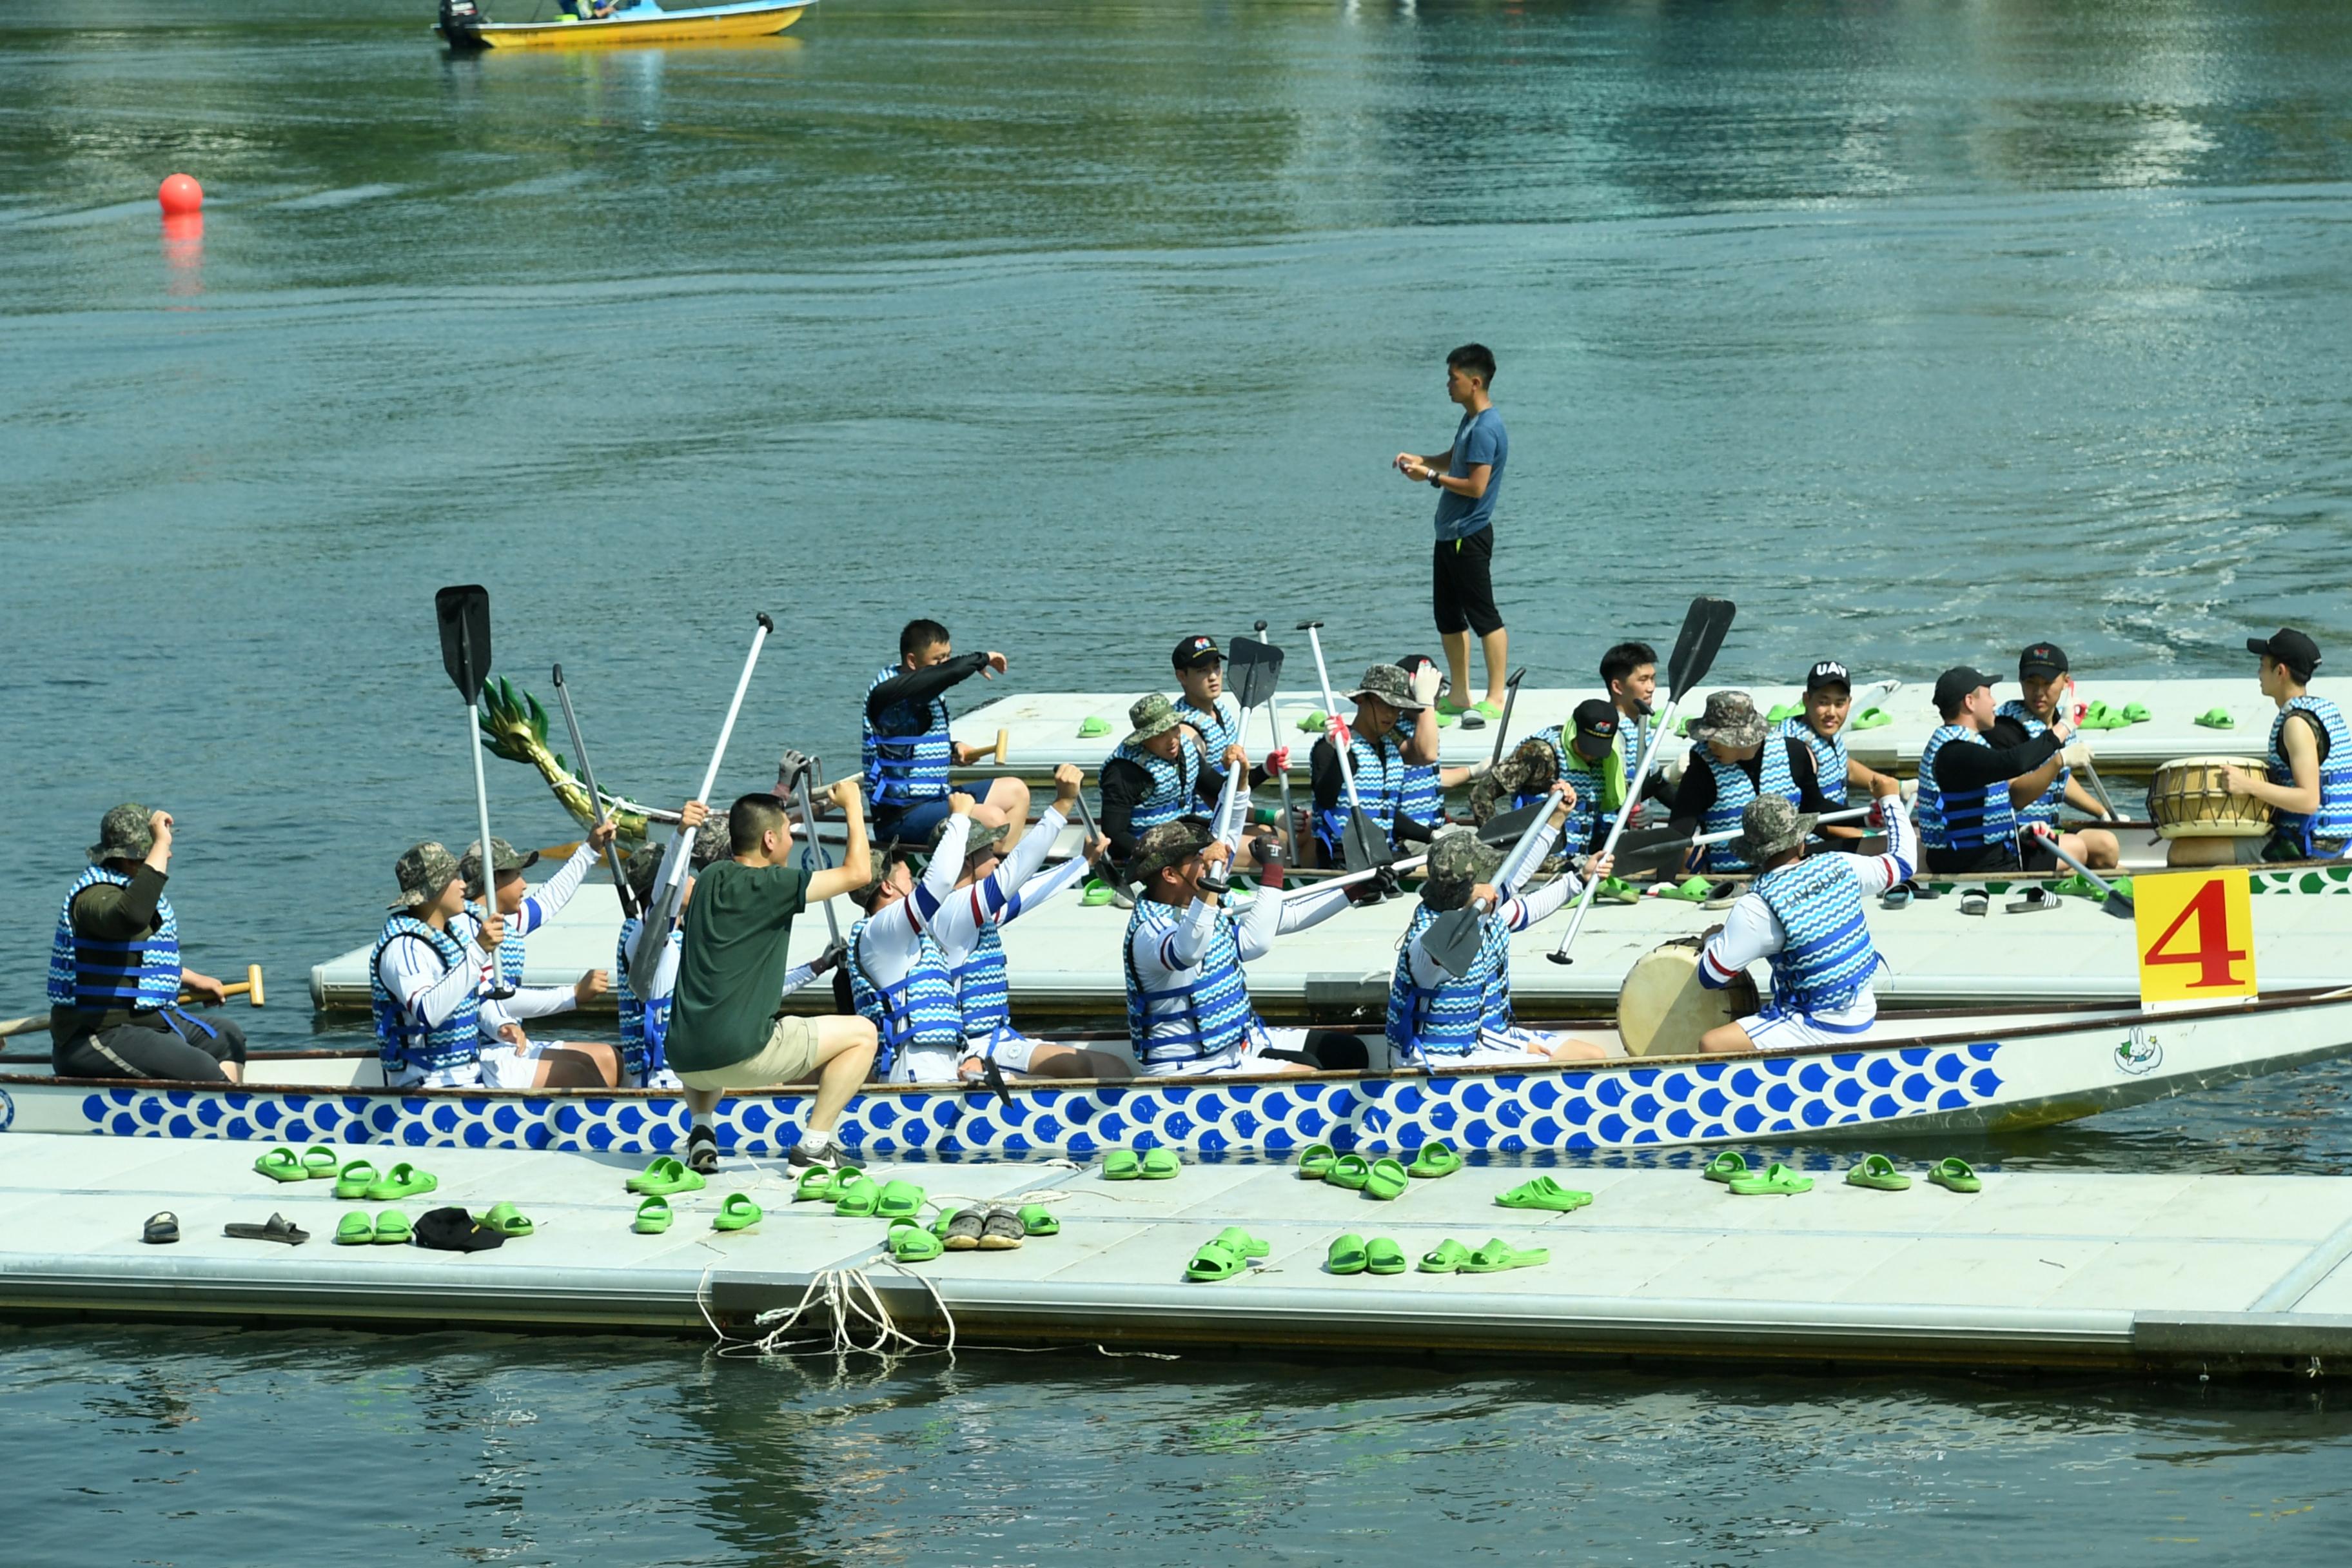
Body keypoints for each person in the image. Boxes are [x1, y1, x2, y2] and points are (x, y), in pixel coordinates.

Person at [666, 783, 879, 1172]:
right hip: (741, 1056)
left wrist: (791, 806)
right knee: (864, 1033)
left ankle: (701, 1132)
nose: (791, 840)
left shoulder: (709, 878)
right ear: (769, 839)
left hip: (684, 1058)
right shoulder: (775, 886)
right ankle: (814, 1146)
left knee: (711, 1021)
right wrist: (852, 804)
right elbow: (859, 873)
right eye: (789, 834)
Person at [616, 801, 838, 1090]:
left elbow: (751, 989)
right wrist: (681, 836)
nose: (693, 879)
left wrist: (817, 967)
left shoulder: (691, 935)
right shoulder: (641, 940)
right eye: (685, 875)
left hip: (700, 1073)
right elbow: (663, 901)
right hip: (664, 1083)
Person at [930, 767, 1133, 1081]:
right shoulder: (950, 912)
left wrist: (1083, 863)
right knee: (1075, 1066)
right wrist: (1062, 805)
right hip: (971, 1049)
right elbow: (1018, 868)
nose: (997, 858)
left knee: (1114, 1068)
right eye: (987, 852)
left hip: (999, 1037)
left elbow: (1027, 892)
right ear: (963, 860)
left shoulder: (977, 913)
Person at [1387, 788, 1614, 1067]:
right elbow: (1437, 950)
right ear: (1467, 890)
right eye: (1487, 877)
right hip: (1433, 1057)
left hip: (1486, 1038)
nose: (1496, 882)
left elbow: (1521, 894)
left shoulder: (1483, 912)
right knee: (1559, 1064)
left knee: (1592, 1056)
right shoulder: (1425, 942)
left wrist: (1577, 875)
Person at [1124, 819, 1362, 1076]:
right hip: (1186, 1070)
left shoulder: (1210, 908)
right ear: (1170, 875)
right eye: (1196, 859)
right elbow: (1188, 950)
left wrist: (1356, 890)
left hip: (1234, 1050)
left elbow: (1281, 918)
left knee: (1347, 1051)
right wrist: (1269, 871)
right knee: (1313, 1078)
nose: (1206, 864)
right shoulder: (1149, 931)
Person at [1696, 787, 1912, 1053]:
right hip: (1864, 1011)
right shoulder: (1842, 865)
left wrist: (1713, 939)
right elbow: (1903, 863)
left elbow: (1711, 976)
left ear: (1752, 854)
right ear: (1800, 841)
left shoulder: (1757, 906)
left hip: (1817, 1026)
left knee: (1711, 1044)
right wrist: (1889, 797)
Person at [48, 804, 248, 1083]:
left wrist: (190, 978)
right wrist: (161, 841)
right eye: (161, 849)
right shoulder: (92, 897)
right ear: (134, 858)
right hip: (97, 1035)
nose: (169, 854)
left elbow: (130, 958)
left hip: (150, 1022)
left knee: (227, 1036)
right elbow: (130, 918)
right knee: (201, 1069)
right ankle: (229, 1109)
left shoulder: (128, 889)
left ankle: (225, 1102)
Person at [452, 830, 622, 1087]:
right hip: (482, 1052)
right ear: (494, 880)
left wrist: (590, 849)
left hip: (508, 1044)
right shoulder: (469, 930)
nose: (524, 885)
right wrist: (572, 995)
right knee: (580, 1073)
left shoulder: (504, 920)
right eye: (517, 875)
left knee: (609, 1059)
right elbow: (492, 999)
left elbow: (550, 898)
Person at [1394, 343, 1509, 720]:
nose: (1447, 384)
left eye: (1453, 378)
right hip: (1448, 535)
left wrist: (1430, 476)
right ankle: (1460, 694)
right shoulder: (1470, 422)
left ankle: (1495, 697)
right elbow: (1454, 458)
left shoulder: (1487, 428)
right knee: (1447, 617)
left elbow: (1476, 486)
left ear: (1474, 382)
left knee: (1483, 616)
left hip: (1469, 536)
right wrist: (1422, 460)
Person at [861, 617, 1030, 847]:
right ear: (912, 661)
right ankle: (986, 875)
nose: (946, 664)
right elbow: (950, 674)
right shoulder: (888, 695)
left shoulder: (928, 692)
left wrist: (953, 747)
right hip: (901, 817)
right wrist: (983, 659)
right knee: (993, 819)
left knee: (1016, 791)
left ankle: (1000, 874)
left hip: (938, 798)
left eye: (948, 656)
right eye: (938, 659)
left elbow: (910, 741)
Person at [1915, 665, 2078, 875]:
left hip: (1982, 856)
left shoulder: (1960, 743)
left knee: (2081, 847)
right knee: (2083, 849)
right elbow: (2013, 763)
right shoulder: (1955, 752)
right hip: (1980, 866)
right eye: (1989, 694)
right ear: (1970, 702)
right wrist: (2062, 730)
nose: (1994, 702)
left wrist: (2020, 830)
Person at [369, 841, 505, 1089]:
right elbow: (429, 1012)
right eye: (454, 877)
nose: (464, 884)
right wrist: (478, 951)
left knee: (576, 1069)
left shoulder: (452, 936)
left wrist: (502, 1025)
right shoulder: (403, 948)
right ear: (433, 889)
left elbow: (476, 997)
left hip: (469, 1074)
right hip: (426, 1085)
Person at [1987, 643, 2121, 871]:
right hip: (2015, 837)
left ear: (2066, 683)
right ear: (2020, 682)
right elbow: (2015, 795)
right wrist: (2060, 760)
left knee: (2107, 846)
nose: (2039, 693)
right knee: (2079, 847)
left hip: (2048, 829)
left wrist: (2102, 813)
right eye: (2031, 683)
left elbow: (2059, 778)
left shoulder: (2062, 721)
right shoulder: (2004, 729)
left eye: (2047, 684)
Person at [1669, 691, 1832, 877]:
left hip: (1794, 868)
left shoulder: (1793, 751)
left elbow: (1817, 806)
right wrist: (1663, 882)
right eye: (1707, 737)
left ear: (1743, 737)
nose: (1710, 746)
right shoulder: (1702, 768)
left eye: (1718, 739)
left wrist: (1867, 818)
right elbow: (1678, 833)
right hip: (1733, 877)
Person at [2225, 628, 2352, 860]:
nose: (2259, 673)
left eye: (2263, 665)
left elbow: (2309, 801)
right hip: (2328, 841)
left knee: (2183, 853)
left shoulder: (2296, 724)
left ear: (2280, 671)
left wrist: (2246, 785)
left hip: (2305, 846)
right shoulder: (2323, 710)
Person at [1309, 663, 1440, 865]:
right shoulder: (1329, 748)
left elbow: (1386, 813)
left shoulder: (1390, 749)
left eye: (1397, 708)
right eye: (1384, 705)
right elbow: (1325, 799)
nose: (1391, 714)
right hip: (1342, 859)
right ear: (1361, 700)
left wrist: (1431, 836)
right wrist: (1341, 753)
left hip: (1383, 855)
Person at [1471, 698, 1623, 860]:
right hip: (1534, 863)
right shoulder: (1539, 753)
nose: (1591, 755)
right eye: (1586, 746)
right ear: (1574, 730)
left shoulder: (1608, 759)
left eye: (1598, 748)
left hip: (1578, 863)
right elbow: (1480, 795)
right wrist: (1499, 851)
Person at [1780, 661, 1898, 850]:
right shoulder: (1795, 746)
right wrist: (1864, 833)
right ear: (1806, 700)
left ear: (1849, 703)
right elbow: (1806, 815)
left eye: (1840, 703)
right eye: (1823, 702)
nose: (1831, 712)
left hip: (1839, 828)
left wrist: (1895, 785)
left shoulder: (1826, 730)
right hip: (1809, 847)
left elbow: (1846, 767)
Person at [1099, 693, 1222, 872]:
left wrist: (1264, 770)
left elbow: (1221, 789)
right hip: (1143, 861)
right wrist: (1161, 859)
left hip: (1183, 843)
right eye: (1160, 734)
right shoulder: (1122, 772)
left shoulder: (1185, 750)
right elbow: (1114, 835)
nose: (1172, 740)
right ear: (1144, 738)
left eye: (1174, 728)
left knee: (1264, 836)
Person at [1389, 654, 1484, 832]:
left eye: (1438, 691)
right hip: (1413, 835)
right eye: (1430, 691)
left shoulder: (1424, 726)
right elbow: (1427, 754)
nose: (1436, 697)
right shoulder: (1390, 729)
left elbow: (1431, 777)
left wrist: (1474, 771)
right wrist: (1424, 701)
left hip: (1437, 826)